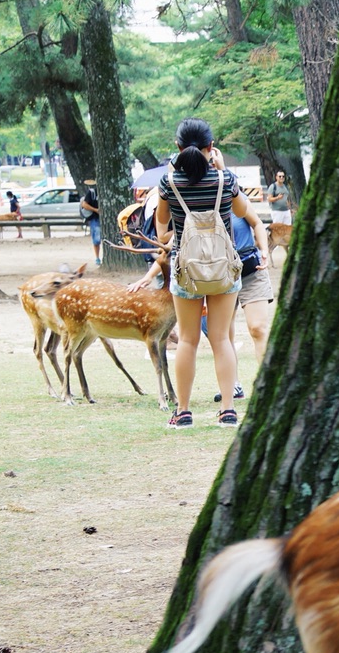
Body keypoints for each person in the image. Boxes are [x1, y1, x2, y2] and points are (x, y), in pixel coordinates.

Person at [129, 119, 262, 428]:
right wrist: (220, 170)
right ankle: (228, 410)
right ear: (210, 148)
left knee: (188, 340)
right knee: (221, 339)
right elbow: (243, 212)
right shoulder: (224, 179)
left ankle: (184, 412)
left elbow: (162, 232)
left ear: (178, 148)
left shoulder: (168, 184)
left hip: (186, 270)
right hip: (224, 270)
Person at [80, 181, 102, 263]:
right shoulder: (92, 192)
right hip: (95, 218)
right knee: (97, 239)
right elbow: (84, 204)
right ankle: (97, 258)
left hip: (102, 219)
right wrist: (96, 210)